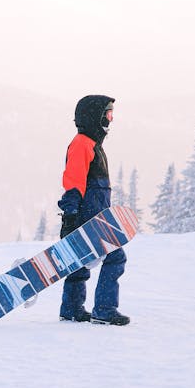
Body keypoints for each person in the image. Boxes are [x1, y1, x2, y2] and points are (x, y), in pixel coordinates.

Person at [57, 94, 130, 326]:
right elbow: (74, 181)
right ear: (94, 116)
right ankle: (104, 310)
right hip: (89, 217)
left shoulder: (92, 145)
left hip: (95, 215)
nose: (110, 119)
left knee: (79, 261)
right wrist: (70, 215)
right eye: (107, 114)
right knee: (116, 256)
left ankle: (71, 309)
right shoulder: (82, 144)